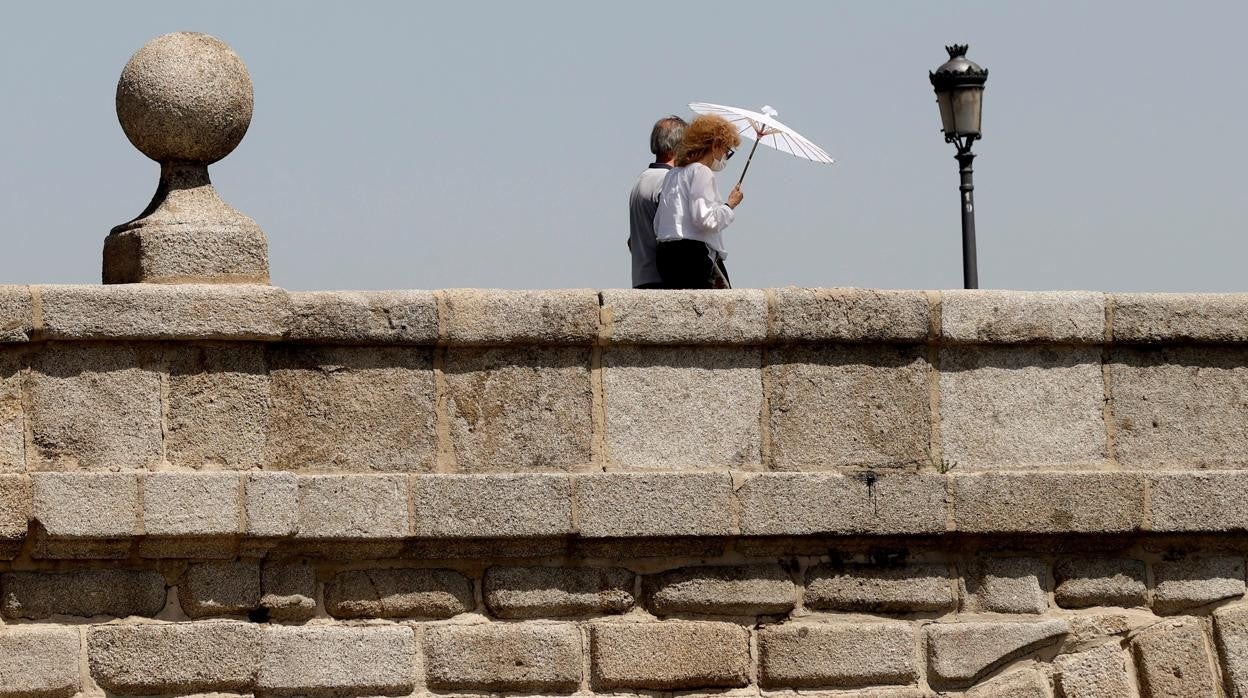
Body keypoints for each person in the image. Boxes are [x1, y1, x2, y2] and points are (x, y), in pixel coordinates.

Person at [653, 114, 744, 289]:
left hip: (665, 254)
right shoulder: (702, 172)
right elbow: (705, 219)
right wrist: (729, 205)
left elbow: (658, 223)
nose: (725, 156)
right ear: (715, 144)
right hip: (691, 255)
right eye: (726, 150)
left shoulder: (673, 174)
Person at [628, 116, 687, 289]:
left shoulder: (640, 180)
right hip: (664, 281)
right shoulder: (668, 181)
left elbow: (632, 241)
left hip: (641, 278)